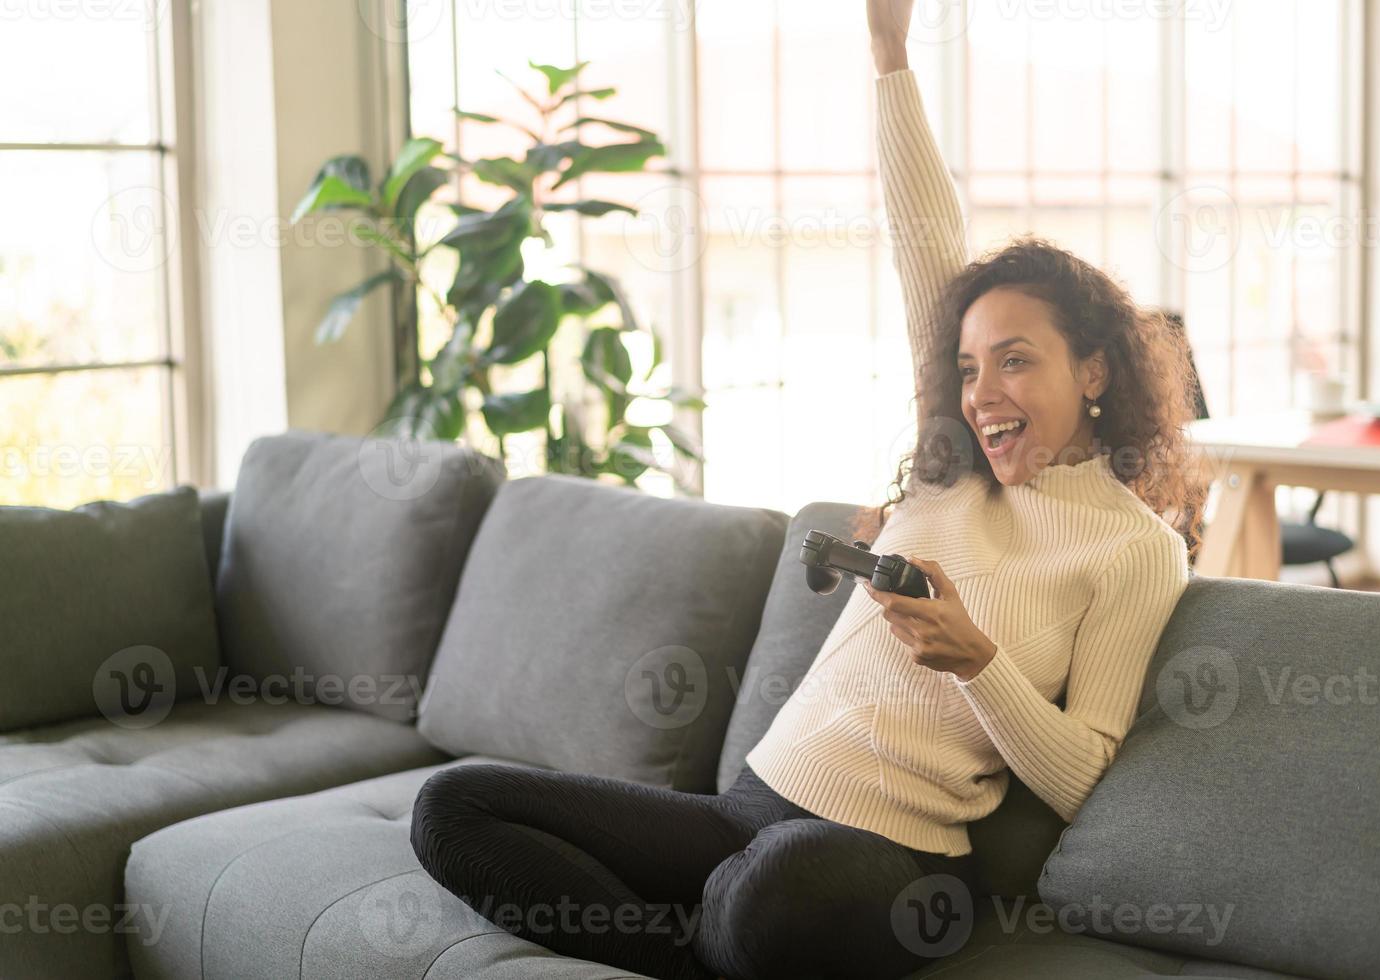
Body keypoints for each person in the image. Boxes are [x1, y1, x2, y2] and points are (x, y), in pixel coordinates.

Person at [410, 2, 1205, 978]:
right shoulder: (951, 459)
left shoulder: (1133, 548)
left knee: (777, 884)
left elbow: (1084, 772)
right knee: (453, 806)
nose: (982, 392)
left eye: (1014, 360)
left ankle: (710, 928)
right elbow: (924, 239)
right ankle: (694, 948)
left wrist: (975, 658)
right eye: (965, 366)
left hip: (896, 863)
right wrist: (888, 50)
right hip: (750, 808)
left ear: (1092, 371)